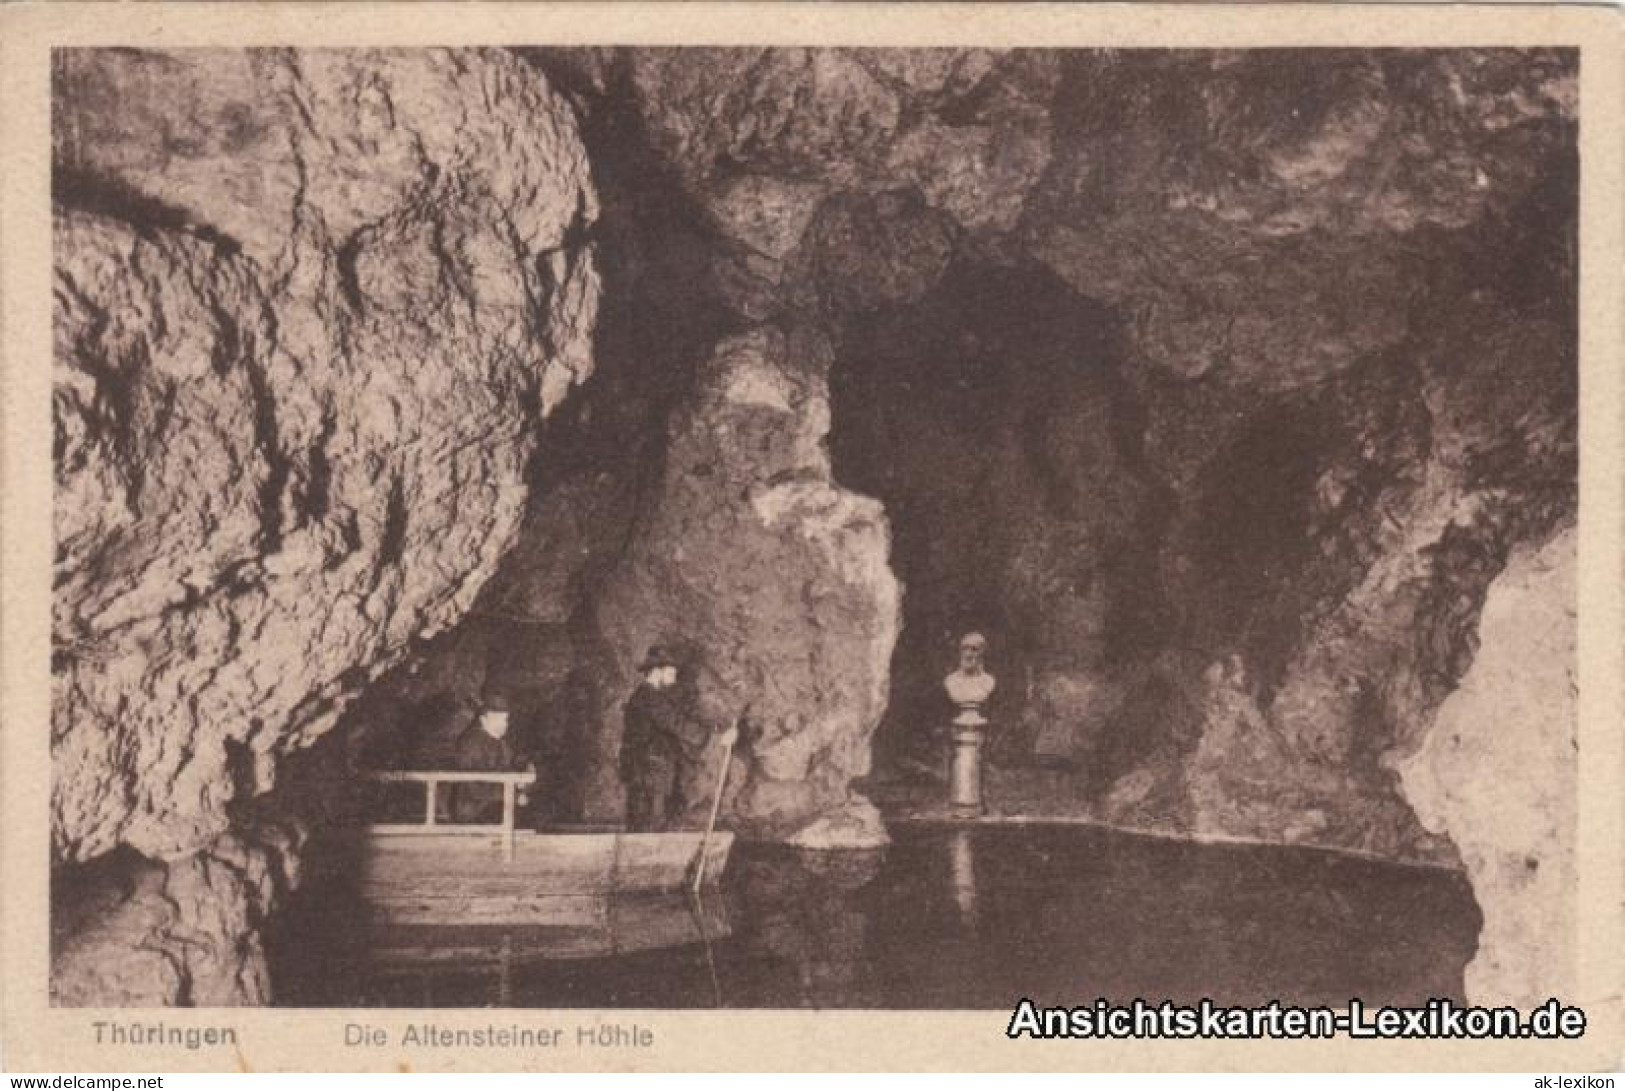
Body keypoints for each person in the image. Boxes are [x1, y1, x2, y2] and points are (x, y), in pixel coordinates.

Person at [619, 645, 737, 832]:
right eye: (671, 671)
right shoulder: (648, 698)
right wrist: (717, 736)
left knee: (651, 821)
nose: (674, 676)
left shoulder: (653, 697)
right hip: (648, 772)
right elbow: (677, 724)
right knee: (650, 822)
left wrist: (716, 729)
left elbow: (679, 718)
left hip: (652, 771)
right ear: (657, 671)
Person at [450, 690, 533, 824]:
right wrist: (513, 795)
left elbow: (509, 767)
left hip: (495, 802)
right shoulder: (471, 743)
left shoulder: (501, 744)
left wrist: (521, 780)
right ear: (484, 719)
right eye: (499, 719)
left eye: (505, 719)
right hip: (474, 807)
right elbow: (475, 787)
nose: (505, 724)